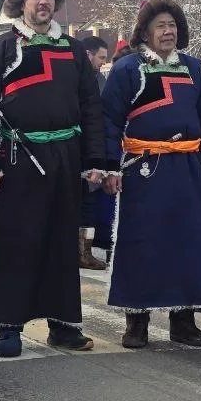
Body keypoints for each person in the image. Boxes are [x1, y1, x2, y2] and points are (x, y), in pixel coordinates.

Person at [0, 0, 105, 357]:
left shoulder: (73, 50)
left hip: (65, 155)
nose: (43, 3)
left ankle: (63, 326)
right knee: (18, 240)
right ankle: (8, 325)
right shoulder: (3, 48)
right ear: (21, 3)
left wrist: (95, 158)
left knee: (62, 242)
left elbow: (90, 106)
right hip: (18, 156)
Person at [101, 0, 201, 348]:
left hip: (186, 168)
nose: (168, 31)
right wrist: (110, 166)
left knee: (189, 241)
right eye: (160, 25)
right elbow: (109, 121)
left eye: (172, 25)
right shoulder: (127, 69)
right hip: (144, 170)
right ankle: (136, 322)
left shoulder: (193, 68)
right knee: (143, 242)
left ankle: (183, 321)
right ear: (145, 31)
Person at [77, 35, 110, 269]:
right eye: (100, 57)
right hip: (74, 149)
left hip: (94, 150)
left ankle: (84, 251)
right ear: (88, 54)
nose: (102, 63)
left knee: (89, 204)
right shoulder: (72, 77)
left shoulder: (101, 80)